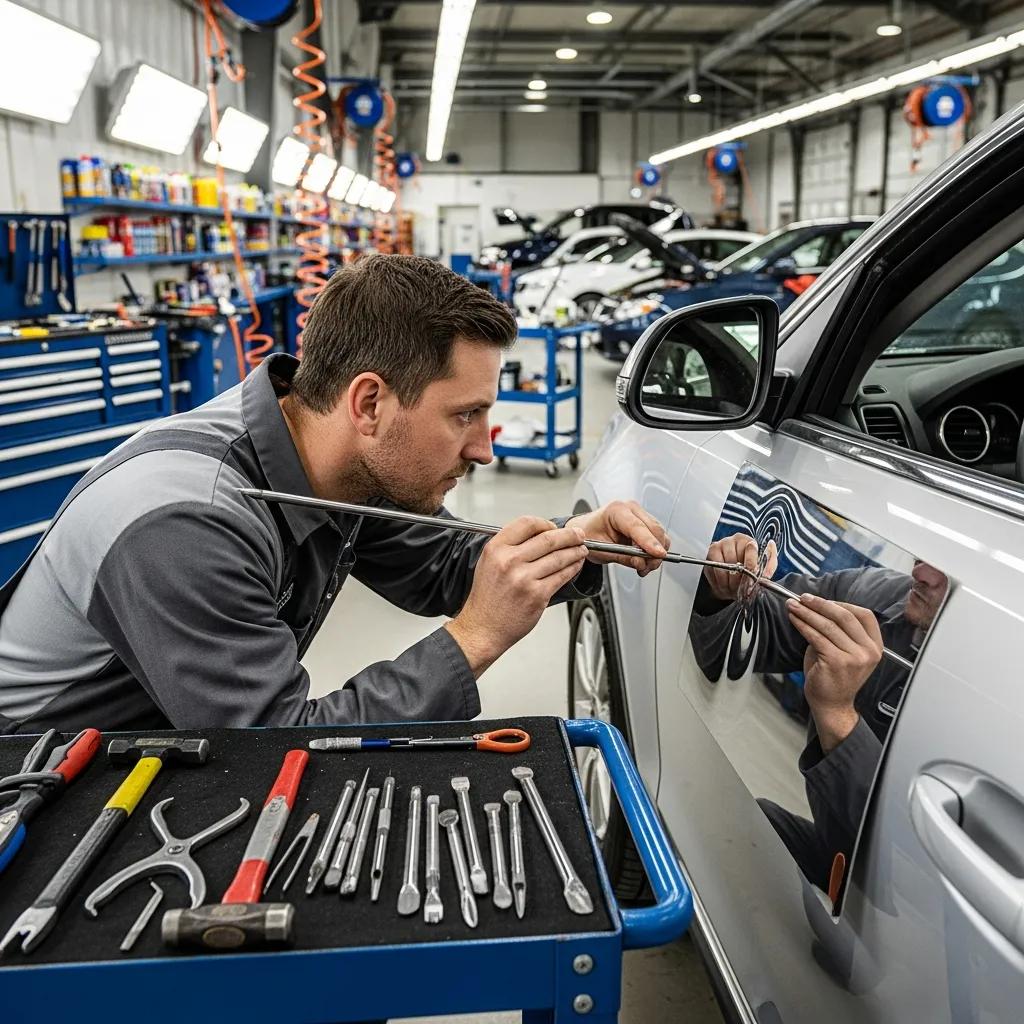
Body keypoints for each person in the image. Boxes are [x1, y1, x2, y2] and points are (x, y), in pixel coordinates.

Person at [0, 255, 668, 734]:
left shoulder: (327, 455)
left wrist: (582, 543)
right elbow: (273, 745)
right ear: (370, 402)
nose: (484, 449)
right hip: (38, 782)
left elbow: (445, 563)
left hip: (153, 741)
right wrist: (473, 641)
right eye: (464, 415)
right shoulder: (185, 523)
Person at [692, 532, 947, 891]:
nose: (923, 571)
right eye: (933, 550)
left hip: (902, 909)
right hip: (836, 855)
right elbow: (746, 636)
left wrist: (838, 718)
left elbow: (911, 870)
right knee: (719, 815)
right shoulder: (875, 597)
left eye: (951, 571)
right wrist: (723, 589)